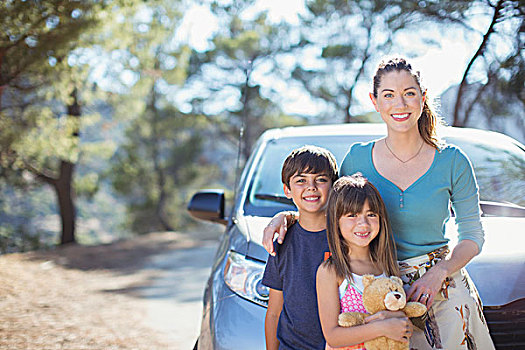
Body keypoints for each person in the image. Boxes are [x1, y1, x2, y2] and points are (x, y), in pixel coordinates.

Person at [263, 57, 495, 349]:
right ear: (375, 102)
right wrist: (285, 217)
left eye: (409, 93)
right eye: (389, 95)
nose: (400, 104)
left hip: (441, 287)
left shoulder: (453, 161)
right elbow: (328, 207)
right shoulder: (357, 159)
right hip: (372, 284)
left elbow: (473, 235)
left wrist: (440, 272)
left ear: (423, 99)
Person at [317, 174, 412, 350]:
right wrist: (381, 327)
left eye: (371, 214)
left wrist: (403, 327)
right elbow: (332, 336)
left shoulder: (386, 265)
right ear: (336, 221)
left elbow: (402, 325)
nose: (363, 223)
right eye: (352, 215)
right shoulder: (331, 271)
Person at [262, 145, 339, 350]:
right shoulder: (280, 242)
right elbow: (274, 312)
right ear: (287, 189)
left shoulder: (346, 238)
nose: (311, 187)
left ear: (333, 186)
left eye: (321, 179)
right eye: (301, 180)